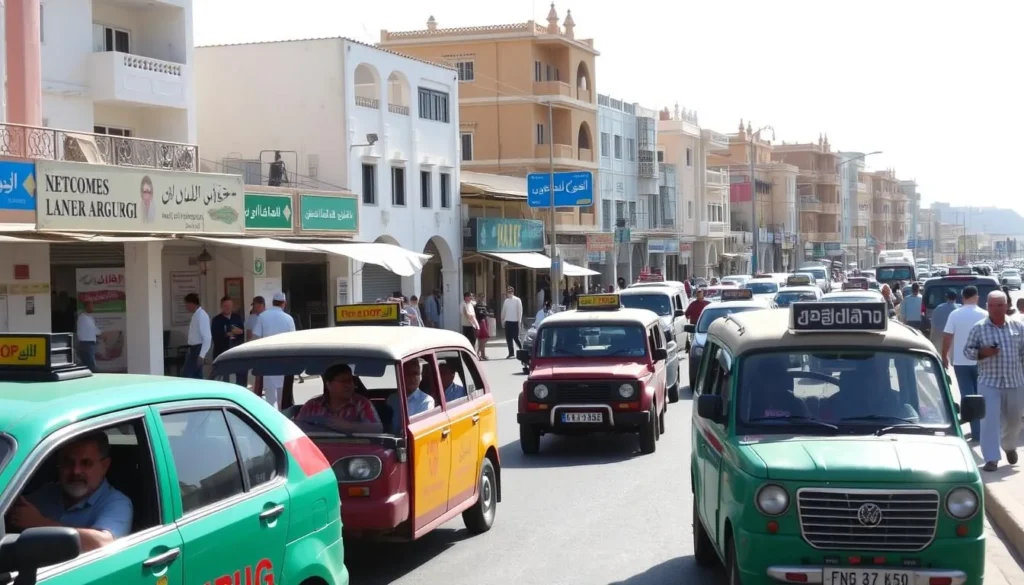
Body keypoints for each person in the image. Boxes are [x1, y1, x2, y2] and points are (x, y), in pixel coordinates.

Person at [8, 433, 132, 552]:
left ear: (105, 466)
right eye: (68, 462)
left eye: (86, 463)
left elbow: (103, 543)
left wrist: (39, 523)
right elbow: (10, 512)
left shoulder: (117, 503)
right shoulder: (48, 492)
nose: (76, 471)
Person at [963, 290, 1024, 471]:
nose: (996, 309)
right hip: (990, 382)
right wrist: (983, 353)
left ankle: (1009, 446)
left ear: (1006, 306)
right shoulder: (979, 328)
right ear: (987, 306)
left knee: (1014, 421)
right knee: (989, 421)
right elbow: (967, 351)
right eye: (992, 305)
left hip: (1015, 382)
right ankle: (991, 458)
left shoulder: (1018, 327)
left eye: (1000, 305)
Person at [942, 285, 988, 442]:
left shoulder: (955, 314)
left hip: (961, 362)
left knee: (968, 396)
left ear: (963, 297)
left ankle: (976, 431)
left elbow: (947, 337)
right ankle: (981, 431)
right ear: (977, 297)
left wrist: (944, 356)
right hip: (982, 362)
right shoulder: (984, 315)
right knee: (983, 396)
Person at [297, 364, 383, 433]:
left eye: (351, 381)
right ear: (329, 385)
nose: (349, 385)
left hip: (353, 451)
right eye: (343, 381)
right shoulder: (312, 406)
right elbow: (295, 430)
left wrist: (348, 426)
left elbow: (377, 429)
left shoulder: (361, 404)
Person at [252, 292, 297, 409]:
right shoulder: (289, 319)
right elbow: (294, 342)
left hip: (267, 360)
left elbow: (255, 338)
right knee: (284, 397)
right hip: (284, 361)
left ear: (272, 303)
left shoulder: (263, 316)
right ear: (284, 303)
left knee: (270, 397)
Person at [386, 359, 436, 426]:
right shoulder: (392, 399)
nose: (412, 378)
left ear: (421, 377)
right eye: (408, 374)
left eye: (416, 374)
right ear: (401, 376)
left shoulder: (426, 401)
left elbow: (421, 427)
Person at [211, 296, 247, 387]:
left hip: (236, 350)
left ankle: (240, 390)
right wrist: (226, 334)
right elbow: (215, 336)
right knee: (223, 377)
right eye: (225, 306)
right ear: (221, 306)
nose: (227, 308)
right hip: (222, 351)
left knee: (241, 373)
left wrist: (240, 332)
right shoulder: (216, 320)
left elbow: (242, 332)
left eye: (229, 306)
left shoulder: (237, 317)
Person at [182, 293, 211, 379]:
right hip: (193, 349)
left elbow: (207, 337)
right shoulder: (196, 315)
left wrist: (201, 355)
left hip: (197, 349)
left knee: (188, 375)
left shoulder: (202, 315)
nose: (186, 307)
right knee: (194, 375)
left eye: (186, 304)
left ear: (191, 304)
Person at [76, 300, 100, 372]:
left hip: (88, 344)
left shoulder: (88, 317)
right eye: (91, 306)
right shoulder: (83, 317)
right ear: (87, 307)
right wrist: (101, 334)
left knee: (87, 364)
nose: (93, 307)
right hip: (86, 344)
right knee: (91, 365)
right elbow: (93, 329)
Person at [501, 286, 524, 359]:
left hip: (515, 321)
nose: (509, 293)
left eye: (511, 292)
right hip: (508, 321)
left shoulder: (517, 300)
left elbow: (520, 311)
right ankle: (511, 353)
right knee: (508, 338)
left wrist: (519, 321)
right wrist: (502, 320)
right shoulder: (506, 301)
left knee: (516, 337)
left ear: (513, 292)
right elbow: (503, 311)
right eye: (508, 292)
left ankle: (522, 349)